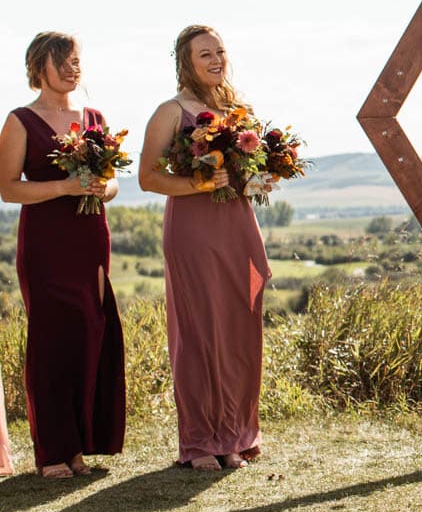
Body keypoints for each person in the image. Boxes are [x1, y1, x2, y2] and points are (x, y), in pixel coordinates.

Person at [139, 25, 271, 470]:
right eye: (205, 54)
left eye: (220, 51)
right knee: (199, 331)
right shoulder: (170, 111)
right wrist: (198, 183)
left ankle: (235, 435)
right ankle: (200, 441)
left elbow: (252, 175)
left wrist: (267, 175)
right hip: (193, 228)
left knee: (239, 326)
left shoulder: (239, 110)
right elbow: (148, 178)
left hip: (238, 224)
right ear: (186, 62)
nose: (216, 60)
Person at [0, 32, 126, 478]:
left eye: (76, 60)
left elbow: (112, 183)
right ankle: (52, 451)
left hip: (91, 237)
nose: (73, 68)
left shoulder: (94, 117)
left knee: (90, 332)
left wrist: (100, 187)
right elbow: (8, 186)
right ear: (40, 67)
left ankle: (79, 448)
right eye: (63, 61)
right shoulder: (19, 120)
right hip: (46, 244)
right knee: (53, 339)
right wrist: (64, 187)